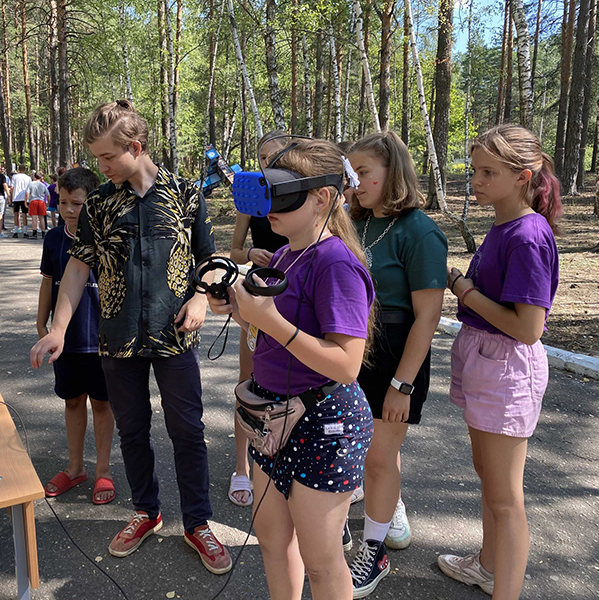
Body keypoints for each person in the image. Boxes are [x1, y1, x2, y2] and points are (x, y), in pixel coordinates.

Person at [30, 99, 232, 575]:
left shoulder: (184, 193)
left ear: (135, 148)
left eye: (107, 157)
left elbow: (209, 257)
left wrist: (200, 298)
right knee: (133, 430)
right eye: (97, 158)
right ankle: (146, 511)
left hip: (173, 336)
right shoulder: (100, 204)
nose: (100, 167)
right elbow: (76, 268)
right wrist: (58, 329)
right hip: (118, 340)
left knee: (188, 431)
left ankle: (198, 523)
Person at [209, 138, 375, 600]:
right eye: (267, 194)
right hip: (274, 417)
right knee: (273, 539)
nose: (269, 209)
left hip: (325, 423)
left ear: (322, 197)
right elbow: (270, 335)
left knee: (321, 560)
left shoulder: (336, 263)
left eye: (284, 195)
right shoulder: (284, 255)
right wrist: (238, 310)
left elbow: (346, 365)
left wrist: (268, 321)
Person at [440, 124, 560, 599]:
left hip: (506, 365)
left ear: (522, 176)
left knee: (506, 498)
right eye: (475, 170)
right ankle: (488, 568)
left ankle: (504, 588)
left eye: (488, 172)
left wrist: (464, 290)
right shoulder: (503, 225)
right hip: (485, 358)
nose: (476, 181)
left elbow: (528, 328)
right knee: (490, 479)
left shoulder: (527, 235)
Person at [345, 131, 448, 598]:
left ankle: (375, 548)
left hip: (394, 356)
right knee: (350, 449)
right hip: (350, 349)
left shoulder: (419, 232)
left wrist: (402, 385)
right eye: (351, 173)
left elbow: (427, 317)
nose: (355, 181)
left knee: (380, 458)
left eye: (364, 172)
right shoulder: (354, 222)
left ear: (393, 173)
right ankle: (347, 527)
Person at [37, 166, 116, 503]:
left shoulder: (108, 238)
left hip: (101, 340)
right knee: (72, 401)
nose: (69, 210)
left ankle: (103, 471)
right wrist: (42, 324)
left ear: (93, 202)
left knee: (102, 403)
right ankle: (74, 468)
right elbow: (47, 283)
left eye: (78, 203)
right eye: (63, 202)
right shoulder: (54, 238)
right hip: (65, 341)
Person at [226, 130, 289, 508]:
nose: (270, 163)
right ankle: (241, 467)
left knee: (294, 382)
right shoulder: (249, 194)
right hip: (258, 294)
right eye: (264, 157)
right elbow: (234, 250)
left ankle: (284, 459)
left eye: (277, 156)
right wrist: (250, 253)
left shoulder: (302, 195)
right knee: (248, 381)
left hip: (296, 295)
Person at [9, 165, 32, 238]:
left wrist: (11, 196)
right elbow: (30, 188)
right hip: (24, 197)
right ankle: (25, 232)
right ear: (25, 170)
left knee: (16, 214)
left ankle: (16, 231)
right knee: (24, 214)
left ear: (18, 169)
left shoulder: (14, 177)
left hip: (16, 197)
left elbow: (11, 187)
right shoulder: (28, 178)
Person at [26, 172, 49, 239]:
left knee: (34, 217)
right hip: (41, 201)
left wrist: (26, 202)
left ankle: (34, 233)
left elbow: (27, 193)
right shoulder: (43, 185)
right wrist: (48, 202)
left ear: (34, 177)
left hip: (33, 201)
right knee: (42, 218)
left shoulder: (31, 184)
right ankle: (43, 233)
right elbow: (48, 194)